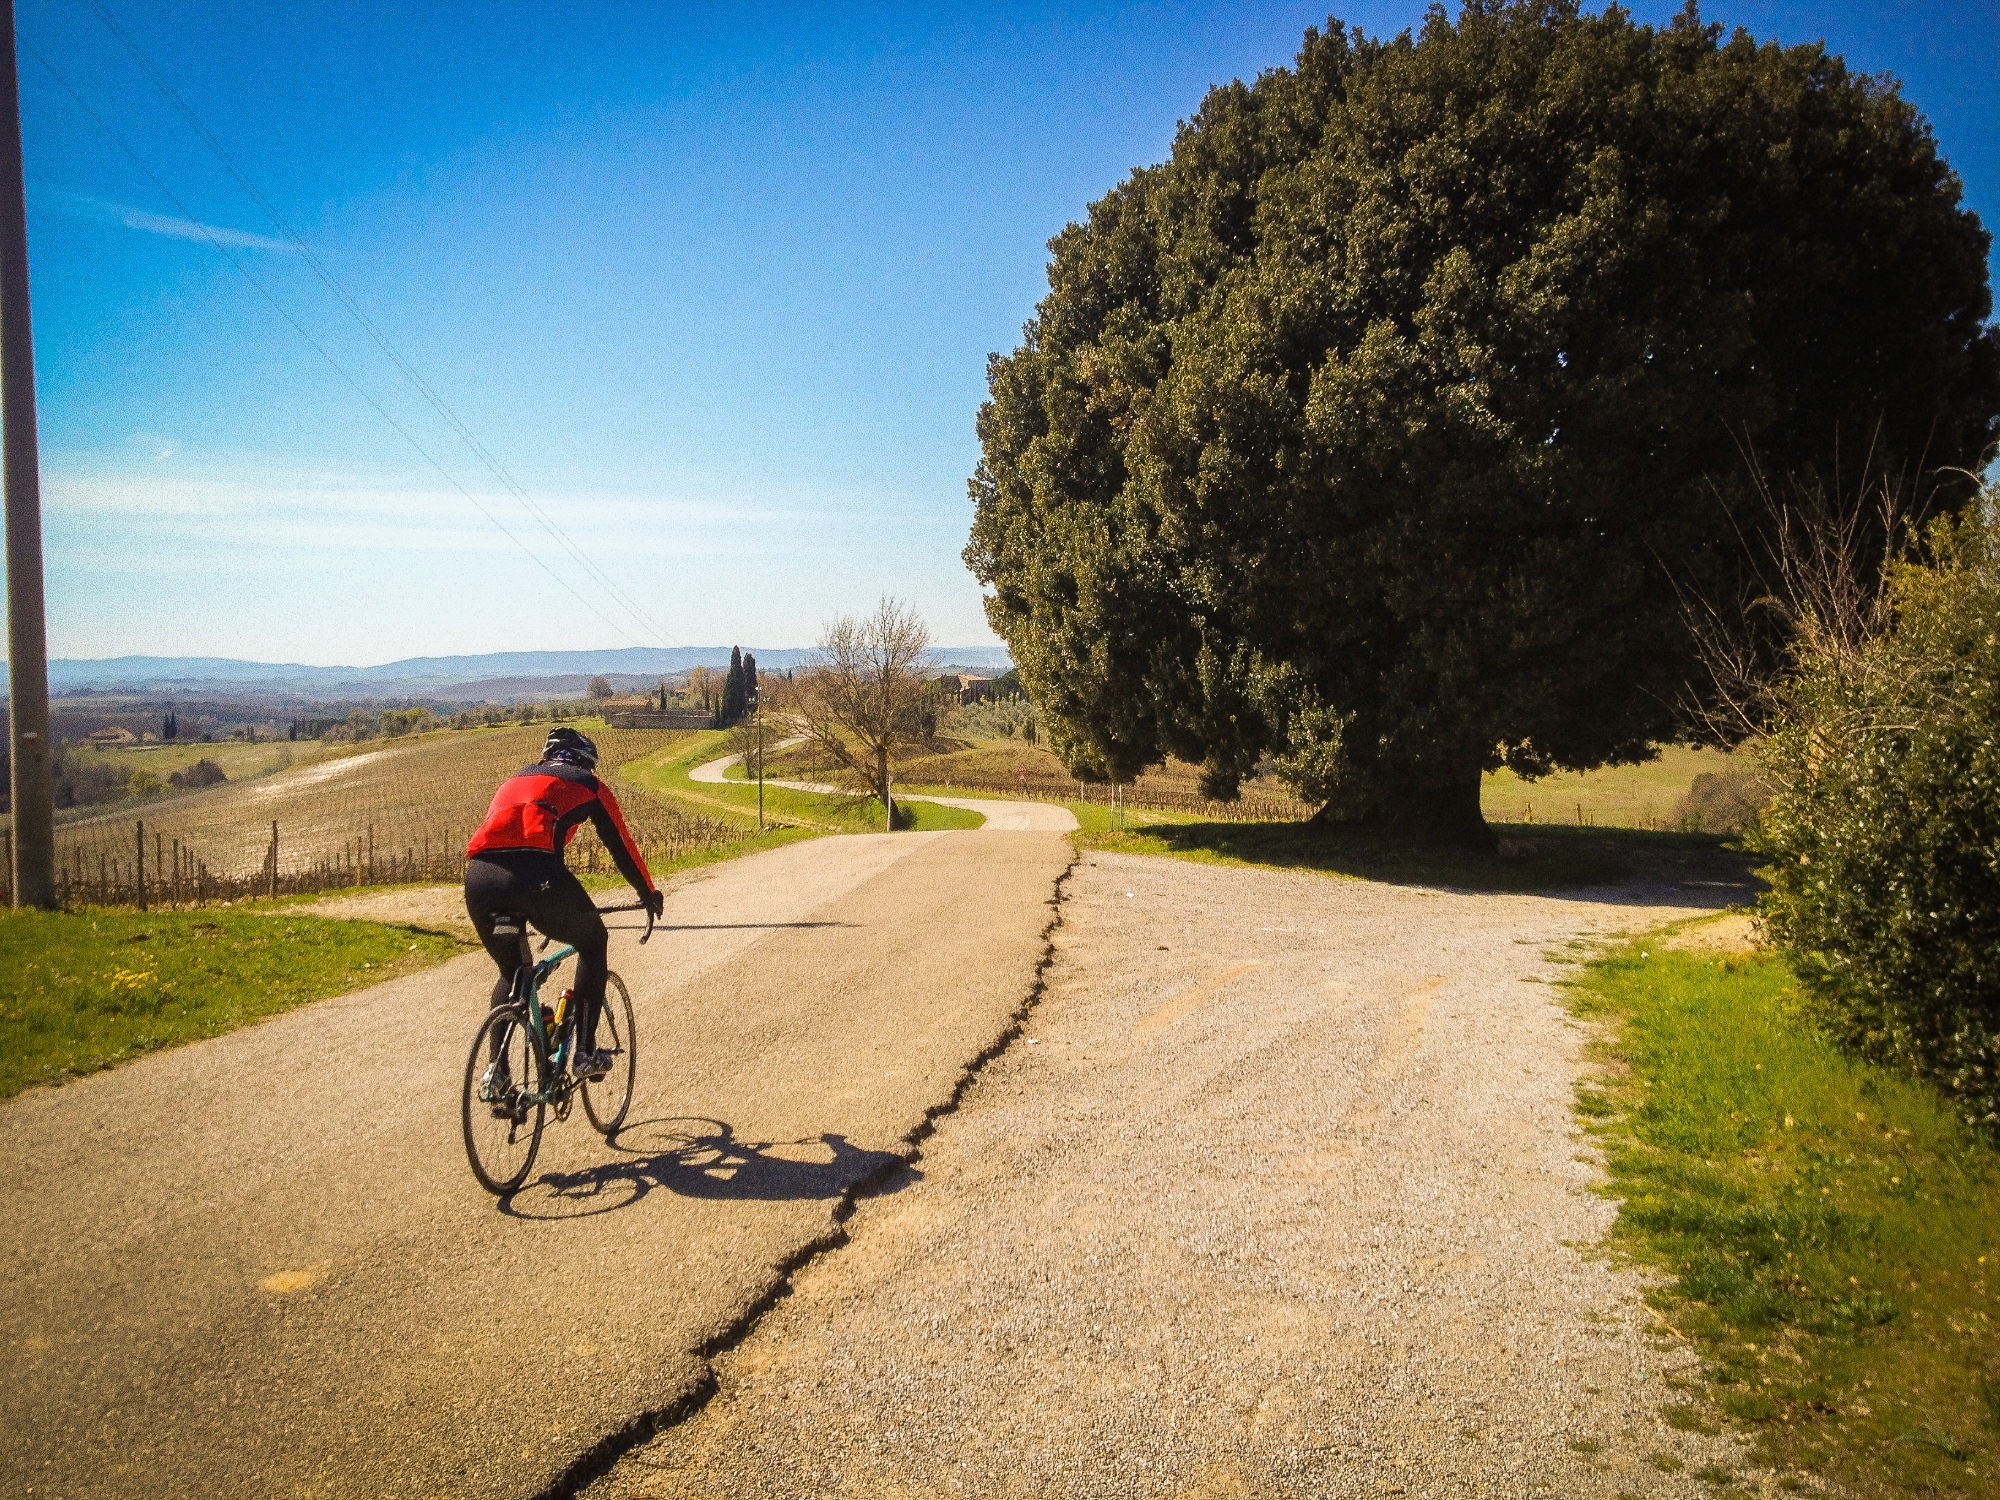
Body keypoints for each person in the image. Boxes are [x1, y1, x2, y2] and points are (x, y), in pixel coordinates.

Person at [463, 726, 663, 1079]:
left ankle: (496, 1073)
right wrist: (647, 893)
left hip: (480, 877)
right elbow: (621, 845)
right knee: (593, 941)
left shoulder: (513, 780)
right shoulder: (589, 785)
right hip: (536, 875)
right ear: (587, 762)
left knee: (512, 974)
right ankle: (584, 1053)